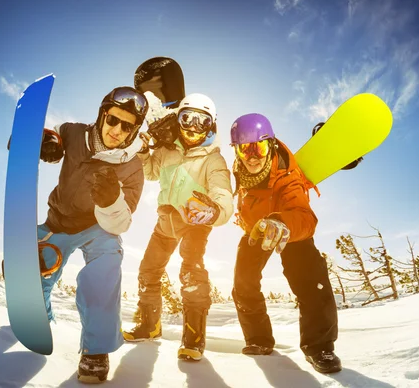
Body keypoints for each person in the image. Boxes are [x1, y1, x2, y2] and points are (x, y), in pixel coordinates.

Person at [9, 86, 148, 384]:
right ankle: (38, 314)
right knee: (40, 265)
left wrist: (111, 201)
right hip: (59, 220)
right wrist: (45, 142)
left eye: (127, 126)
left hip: (99, 229)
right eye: (113, 120)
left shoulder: (133, 167)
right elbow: (56, 133)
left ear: (134, 130)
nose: (117, 130)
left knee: (104, 267)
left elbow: (122, 222)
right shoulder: (75, 134)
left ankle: (96, 351)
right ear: (102, 114)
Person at [122, 93, 234, 361]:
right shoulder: (167, 150)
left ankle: (194, 339)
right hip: (166, 220)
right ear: (178, 120)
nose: (194, 128)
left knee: (191, 271)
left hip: (196, 221)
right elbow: (149, 171)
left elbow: (223, 191)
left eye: (202, 122)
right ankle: (150, 326)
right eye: (188, 119)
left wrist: (215, 210)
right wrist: (143, 150)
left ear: (211, 125)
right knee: (148, 270)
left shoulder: (213, 159)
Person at [229, 113, 342, 374]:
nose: (253, 156)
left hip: (287, 225)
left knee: (309, 274)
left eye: (260, 146)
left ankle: (320, 346)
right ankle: (258, 339)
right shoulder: (237, 172)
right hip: (255, 229)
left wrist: (283, 224)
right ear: (236, 151)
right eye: (245, 149)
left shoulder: (286, 174)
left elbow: (305, 217)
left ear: (271, 145)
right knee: (243, 280)